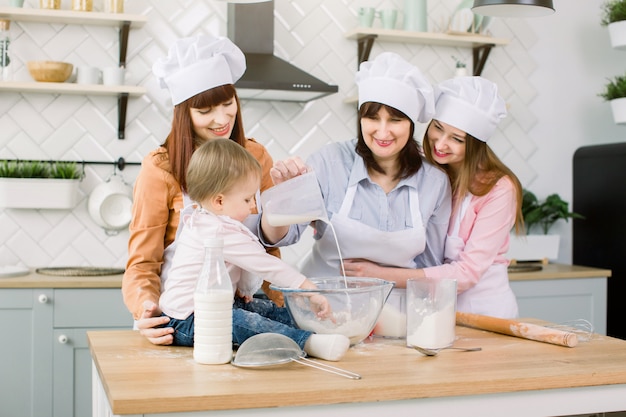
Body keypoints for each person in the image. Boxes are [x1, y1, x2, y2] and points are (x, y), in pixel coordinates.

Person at [257, 52, 452, 335]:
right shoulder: (330, 161)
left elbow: (431, 268)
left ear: (411, 124)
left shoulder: (434, 181)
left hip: (398, 321)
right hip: (321, 314)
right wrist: (284, 198)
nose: (382, 131)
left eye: (395, 120)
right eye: (372, 117)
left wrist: (383, 279)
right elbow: (281, 237)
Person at [122, 34, 283, 346]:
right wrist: (145, 308)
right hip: (179, 322)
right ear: (185, 113)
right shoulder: (161, 167)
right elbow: (143, 262)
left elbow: (266, 246)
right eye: (206, 110)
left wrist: (285, 301)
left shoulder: (257, 156)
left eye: (227, 104)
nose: (222, 119)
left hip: (238, 315)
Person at [343, 76, 522, 319]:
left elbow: (468, 273)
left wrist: (380, 275)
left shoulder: (499, 188)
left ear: (476, 145)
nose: (441, 143)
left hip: (484, 312)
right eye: (437, 128)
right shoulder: (430, 173)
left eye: (456, 139)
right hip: (435, 308)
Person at [160, 138, 350, 361]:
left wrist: (242, 290)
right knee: (243, 323)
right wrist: (307, 287)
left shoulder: (211, 220)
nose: (253, 206)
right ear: (219, 201)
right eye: (247, 198)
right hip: (187, 320)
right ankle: (309, 342)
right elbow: (264, 264)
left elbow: (232, 265)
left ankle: (315, 326)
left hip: (214, 305)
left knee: (264, 310)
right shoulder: (217, 230)